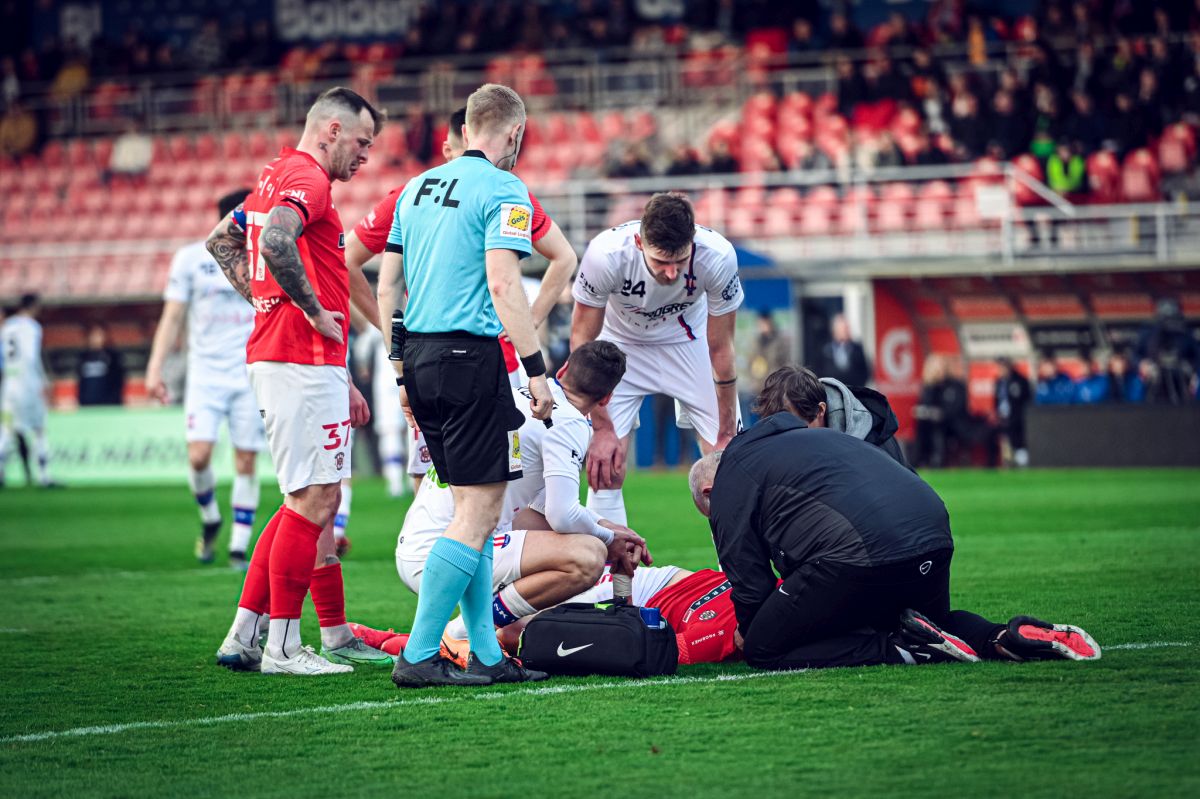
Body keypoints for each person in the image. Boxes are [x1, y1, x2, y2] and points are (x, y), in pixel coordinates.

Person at [687, 374, 1102, 671]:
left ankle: (901, 649)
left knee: (764, 647)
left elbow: (750, 581)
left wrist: (752, 629)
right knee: (932, 621)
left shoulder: (734, 473)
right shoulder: (834, 436)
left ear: (709, 492)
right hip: (932, 537)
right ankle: (1003, 637)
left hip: (862, 552)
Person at [206, 87, 391, 676]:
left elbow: (221, 240)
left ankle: (250, 634)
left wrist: (271, 306)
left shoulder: (275, 174)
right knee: (314, 500)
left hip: (298, 356)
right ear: (331, 130)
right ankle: (282, 647)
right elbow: (277, 240)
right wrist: (306, 310)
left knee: (305, 500)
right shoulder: (307, 179)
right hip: (298, 357)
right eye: (361, 141)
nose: (365, 155)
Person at [378, 83, 554, 687]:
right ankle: (420, 653)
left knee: (470, 513)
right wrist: (537, 371)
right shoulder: (506, 189)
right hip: (470, 359)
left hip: (420, 358)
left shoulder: (414, 188)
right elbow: (504, 285)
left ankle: (486, 655)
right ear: (514, 133)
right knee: (478, 514)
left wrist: (399, 367)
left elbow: (386, 285)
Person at [346, 105, 578, 495]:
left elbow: (370, 275)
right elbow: (557, 260)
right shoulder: (503, 189)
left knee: (438, 486)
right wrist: (531, 325)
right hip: (487, 360)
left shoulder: (413, 191)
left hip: (428, 358)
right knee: (489, 493)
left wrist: (393, 339)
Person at [396, 341, 648, 656]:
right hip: (448, 553)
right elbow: (562, 515)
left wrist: (613, 531)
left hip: (419, 545)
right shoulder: (569, 420)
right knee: (588, 557)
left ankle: (473, 632)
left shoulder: (517, 394)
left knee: (530, 621)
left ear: (563, 370)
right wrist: (608, 539)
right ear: (606, 398)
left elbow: (543, 511)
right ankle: (459, 633)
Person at [570, 192, 742, 528]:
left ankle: (738, 563)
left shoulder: (718, 256)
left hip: (688, 341)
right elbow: (581, 341)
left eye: (680, 260)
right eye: (661, 261)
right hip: (619, 344)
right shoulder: (605, 255)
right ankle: (610, 564)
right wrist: (601, 427)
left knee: (729, 466)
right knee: (606, 468)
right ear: (639, 243)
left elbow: (722, 347)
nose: (671, 272)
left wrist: (725, 430)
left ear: (693, 241)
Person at [145, 189, 264, 566]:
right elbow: (172, 317)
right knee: (198, 457)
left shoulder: (264, 257)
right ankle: (211, 517)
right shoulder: (191, 259)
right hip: (205, 375)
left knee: (246, 460)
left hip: (249, 372)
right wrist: (155, 368)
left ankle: (238, 547)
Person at [352, 563, 741, 667]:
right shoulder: (739, 618)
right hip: (642, 590)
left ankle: (398, 643)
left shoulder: (745, 610)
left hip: (641, 596)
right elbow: (670, 651)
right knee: (516, 630)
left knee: (518, 635)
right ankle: (409, 643)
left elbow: (665, 649)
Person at [0, 293, 57, 488]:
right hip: (27, 386)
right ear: (33, 306)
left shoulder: (7, 327)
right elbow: (32, 358)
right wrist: (44, 382)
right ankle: (44, 476)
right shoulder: (32, 327)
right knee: (39, 429)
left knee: (6, 429)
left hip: (9, 386)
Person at [993, 357, 1032, 467]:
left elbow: (1025, 402)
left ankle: (1021, 461)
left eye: (1002, 367)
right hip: (1002, 418)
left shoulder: (1020, 381)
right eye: (999, 367)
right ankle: (1004, 461)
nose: (1000, 370)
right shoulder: (999, 382)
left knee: (1017, 438)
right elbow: (997, 401)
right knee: (999, 437)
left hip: (1017, 418)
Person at [76, 323, 125, 406]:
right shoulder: (83, 356)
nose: (96, 339)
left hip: (108, 405)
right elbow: (81, 383)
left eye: (99, 335)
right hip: (87, 404)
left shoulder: (113, 356)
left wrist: (114, 401)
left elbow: (118, 381)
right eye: (93, 335)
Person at [817, 313, 870, 388]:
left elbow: (865, 372)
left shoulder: (857, 348)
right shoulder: (825, 349)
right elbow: (819, 370)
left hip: (853, 390)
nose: (846, 331)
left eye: (847, 328)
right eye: (843, 328)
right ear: (835, 330)